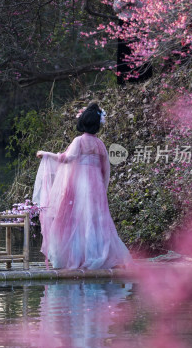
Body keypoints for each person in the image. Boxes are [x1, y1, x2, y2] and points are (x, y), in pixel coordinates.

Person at [32, 101, 131, 270]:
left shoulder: (79, 141)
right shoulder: (100, 144)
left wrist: (47, 154)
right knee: (95, 220)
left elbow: (66, 158)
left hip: (80, 184)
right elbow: (106, 168)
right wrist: (103, 188)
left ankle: (76, 256)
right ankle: (98, 253)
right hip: (96, 186)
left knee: (76, 219)